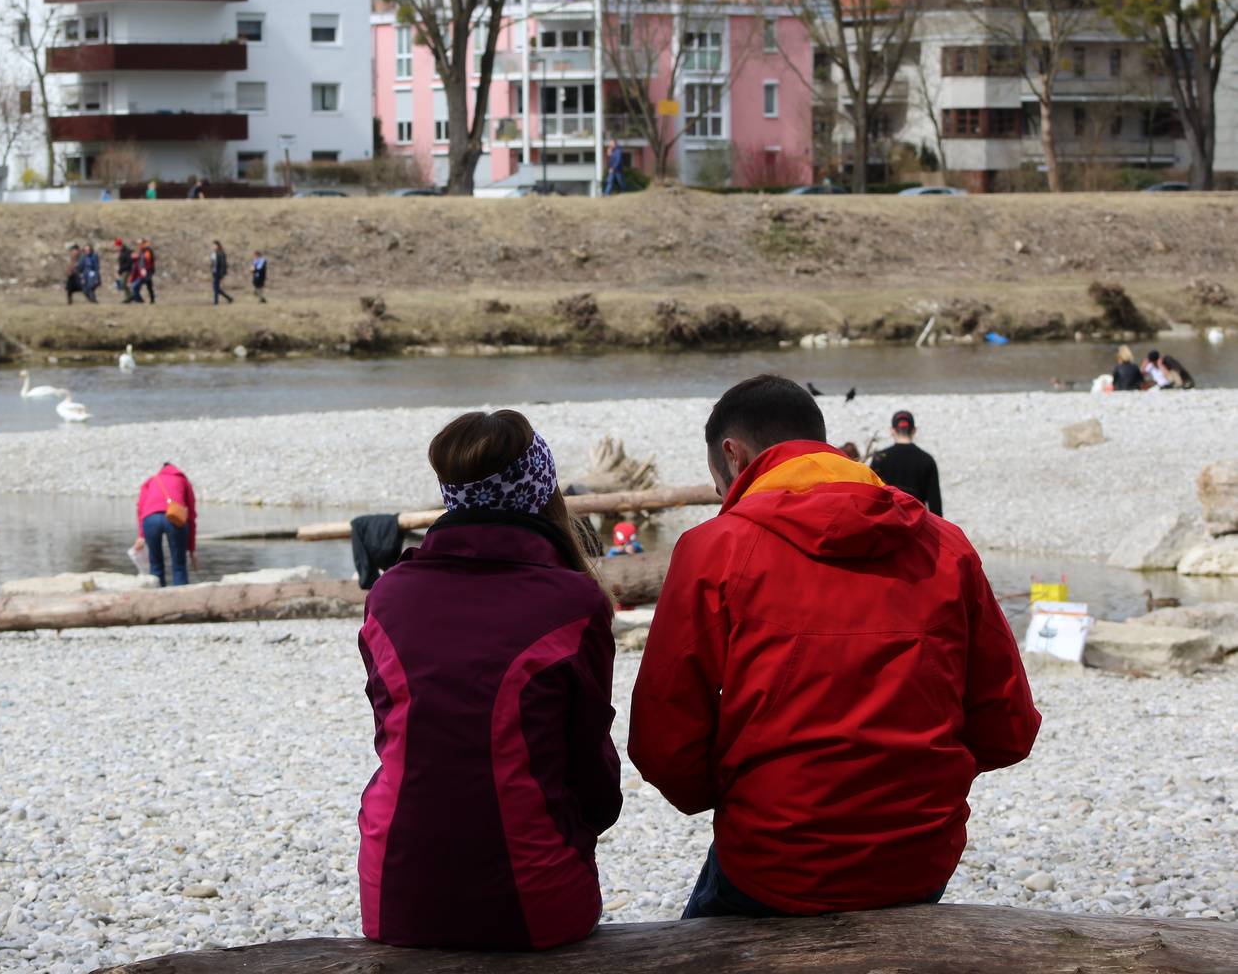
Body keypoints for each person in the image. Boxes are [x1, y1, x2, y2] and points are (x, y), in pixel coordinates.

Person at [629, 374, 1039, 920]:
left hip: (775, 856)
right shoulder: (947, 545)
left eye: (721, 484)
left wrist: (735, 792)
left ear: (733, 454)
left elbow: (662, 740)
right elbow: (1008, 728)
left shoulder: (714, 549)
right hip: (918, 855)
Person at [358, 410, 620, 950]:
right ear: (543, 493)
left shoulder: (389, 597)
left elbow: (395, 736)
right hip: (533, 898)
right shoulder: (574, 602)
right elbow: (593, 775)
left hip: (397, 892)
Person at [133, 463, 196, 586]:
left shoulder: (152, 480)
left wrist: (141, 535)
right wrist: (192, 549)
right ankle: (181, 599)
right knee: (179, 565)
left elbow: (140, 508)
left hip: (150, 519)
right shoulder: (183, 481)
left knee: (155, 563)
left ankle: (157, 597)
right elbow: (191, 515)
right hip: (175, 518)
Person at [869, 410, 942, 515]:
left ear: (892, 430)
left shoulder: (880, 458)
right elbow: (935, 504)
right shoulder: (927, 460)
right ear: (914, 430)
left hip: (887, 522)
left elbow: (872, 495)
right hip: (917, 523)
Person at [209, 240, 233, 305]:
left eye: (214, 245)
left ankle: (216, 301)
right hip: (214, 273)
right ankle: (229, 298)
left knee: (215, 288)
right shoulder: (214, 254)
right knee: (216, 288)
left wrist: (221, 275)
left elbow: (223, 265)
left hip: (218, 273)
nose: (213, 246)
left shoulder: (221, 254)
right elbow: (213, 264)